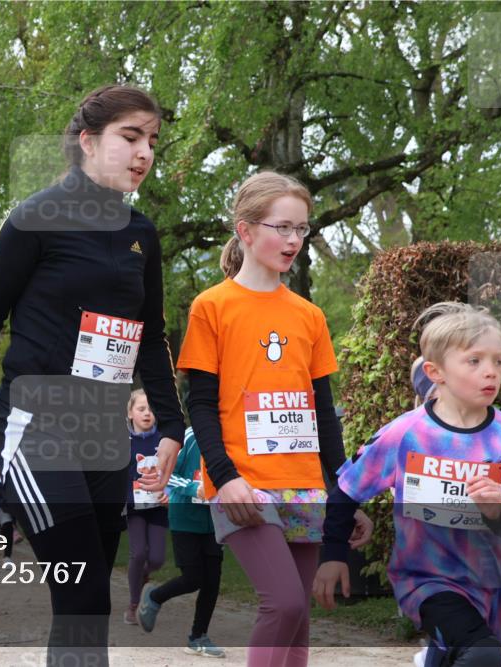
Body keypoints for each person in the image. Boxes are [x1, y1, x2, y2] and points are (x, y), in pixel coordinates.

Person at [0, 85, 185, 666]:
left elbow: (151, 335)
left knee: (88, 605)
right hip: (39, 430)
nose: (145, 153)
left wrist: (172, 426)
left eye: (152, 141)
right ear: (87, 141)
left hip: (105, 436)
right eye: (130, 137)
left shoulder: (142, 233)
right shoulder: (33, 218)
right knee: (80, 594)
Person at [175, 171, 370, 666]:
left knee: (298, 617)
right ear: (245, 231)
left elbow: (324, 415)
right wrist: (226, 478)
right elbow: (200, 405)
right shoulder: (211, 307)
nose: (293, 241)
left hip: (305, 485)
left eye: (301, 230)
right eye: (282, 228)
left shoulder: (310, 316)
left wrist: (345, 493)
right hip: (242, 485)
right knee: (281, 603)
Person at [314, 302, 501, 667]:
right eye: (474, 361)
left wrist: (499, 511)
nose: (491, 372)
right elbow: (347, 490)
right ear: (435, 372)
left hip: (491, 585)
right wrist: (334, 555)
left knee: (461, 652)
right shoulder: (406, 434)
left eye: (498, 361)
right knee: (482, 655)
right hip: (425, 581)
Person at [137, 425, 225, 658]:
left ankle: (198, 637)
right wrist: (193, 487)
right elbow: (164, 473)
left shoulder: (231, 436)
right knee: (193, 577)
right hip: (184, 516)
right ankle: (155, 596)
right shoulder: (189, 436)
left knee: (212, 581)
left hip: (216, 519)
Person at [123, 389, 169, 625]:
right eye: (141, 409)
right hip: (134, 507)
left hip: (158, 506)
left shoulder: (164, 440)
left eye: (150, 409)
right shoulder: (122, 441)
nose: (147, 413)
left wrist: (168, 493)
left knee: (158, 558)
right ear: (130, 413)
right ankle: (133, 604)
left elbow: (173, 472)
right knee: (138, 552)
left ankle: (142, 575)